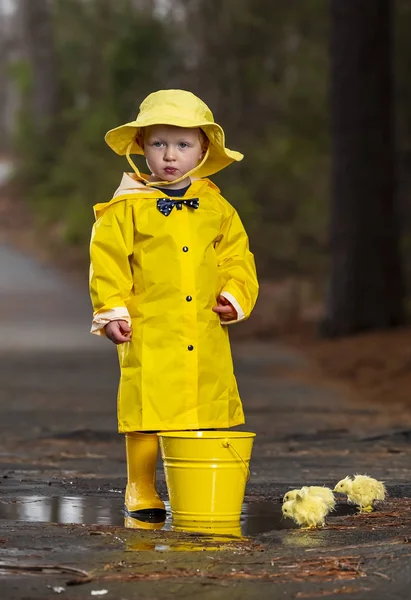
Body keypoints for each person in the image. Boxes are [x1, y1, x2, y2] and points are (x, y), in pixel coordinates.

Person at [89, 89, 258, 518]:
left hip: (202, 327)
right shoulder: (126, 209)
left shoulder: (217, 208)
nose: (169, 155)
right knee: (148, 405)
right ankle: (140, 486)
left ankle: (200, 484)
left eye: (182, 145)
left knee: (205, 403)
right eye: (159, 143)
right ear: (141, 146)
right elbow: (107, 263)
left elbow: (236, 258)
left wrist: (233, 295)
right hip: (151, 325)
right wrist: (112, 311)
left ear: (203, 149)